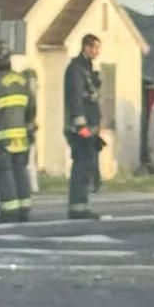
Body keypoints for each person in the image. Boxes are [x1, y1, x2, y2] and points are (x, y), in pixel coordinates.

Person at [0, 45, 37, 222]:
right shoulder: (21, 80)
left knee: (5, 174)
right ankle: (24, 208)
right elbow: (31, 108)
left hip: (2, 138)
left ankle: (9, 212)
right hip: (22, 137)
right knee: (20, 171)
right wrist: (28, 128)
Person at [63, 34, 103, 219]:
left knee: (87, 166)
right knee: (81, 165)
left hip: (90, 127)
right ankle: (77, 208)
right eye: (94, 48)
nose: (96, 52)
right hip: (81, 128)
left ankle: (82, 205)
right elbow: (75, 98)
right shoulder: (76, 70)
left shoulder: (86, 69)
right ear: (86, 47)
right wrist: (82, 127)